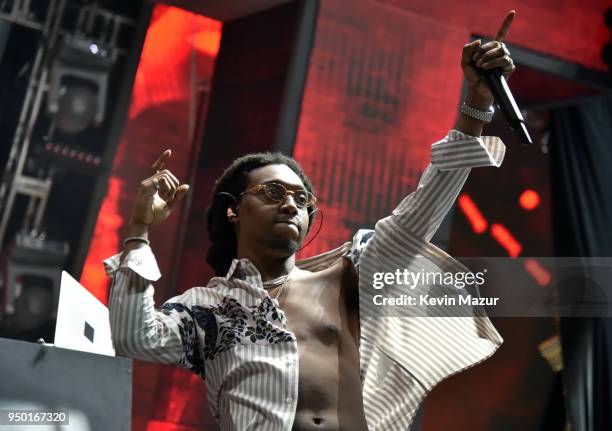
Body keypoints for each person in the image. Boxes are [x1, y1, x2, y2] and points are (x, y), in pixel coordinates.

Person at [104, 11, 517, 431]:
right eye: (272, 193)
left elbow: (425, 205)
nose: (290, 205)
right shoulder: (210, 309)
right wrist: (139, 232)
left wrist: (475, 106)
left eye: (301, 199)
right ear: (234, 210)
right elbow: (134, 337)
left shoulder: (352, 277)